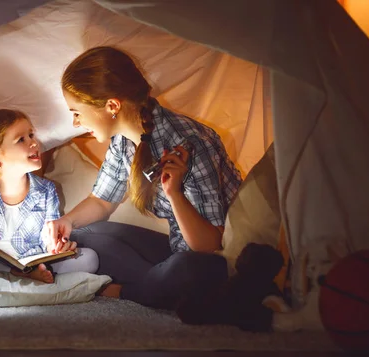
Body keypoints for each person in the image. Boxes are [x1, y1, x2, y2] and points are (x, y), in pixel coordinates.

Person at [45, 46, 243, 309]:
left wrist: (174, 194)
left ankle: (127, 291)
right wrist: (65, 222)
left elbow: (209, 246)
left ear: (112, 105)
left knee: (187, 270)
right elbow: (103, 202)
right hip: (176, 249)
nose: (76, 123)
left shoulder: (191, 143)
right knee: (82, 235)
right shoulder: (123, 140)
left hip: (214, 260)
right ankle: (158, 286)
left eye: (77, 112)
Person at [0, 109, 98, 283]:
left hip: (32, 258)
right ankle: (19, 274)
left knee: (89, 258)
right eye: (21, 139)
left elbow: (48, 235)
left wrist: (57, 246)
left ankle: (27, 274)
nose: (34, 143)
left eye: (31, 135)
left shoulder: (46, 190)